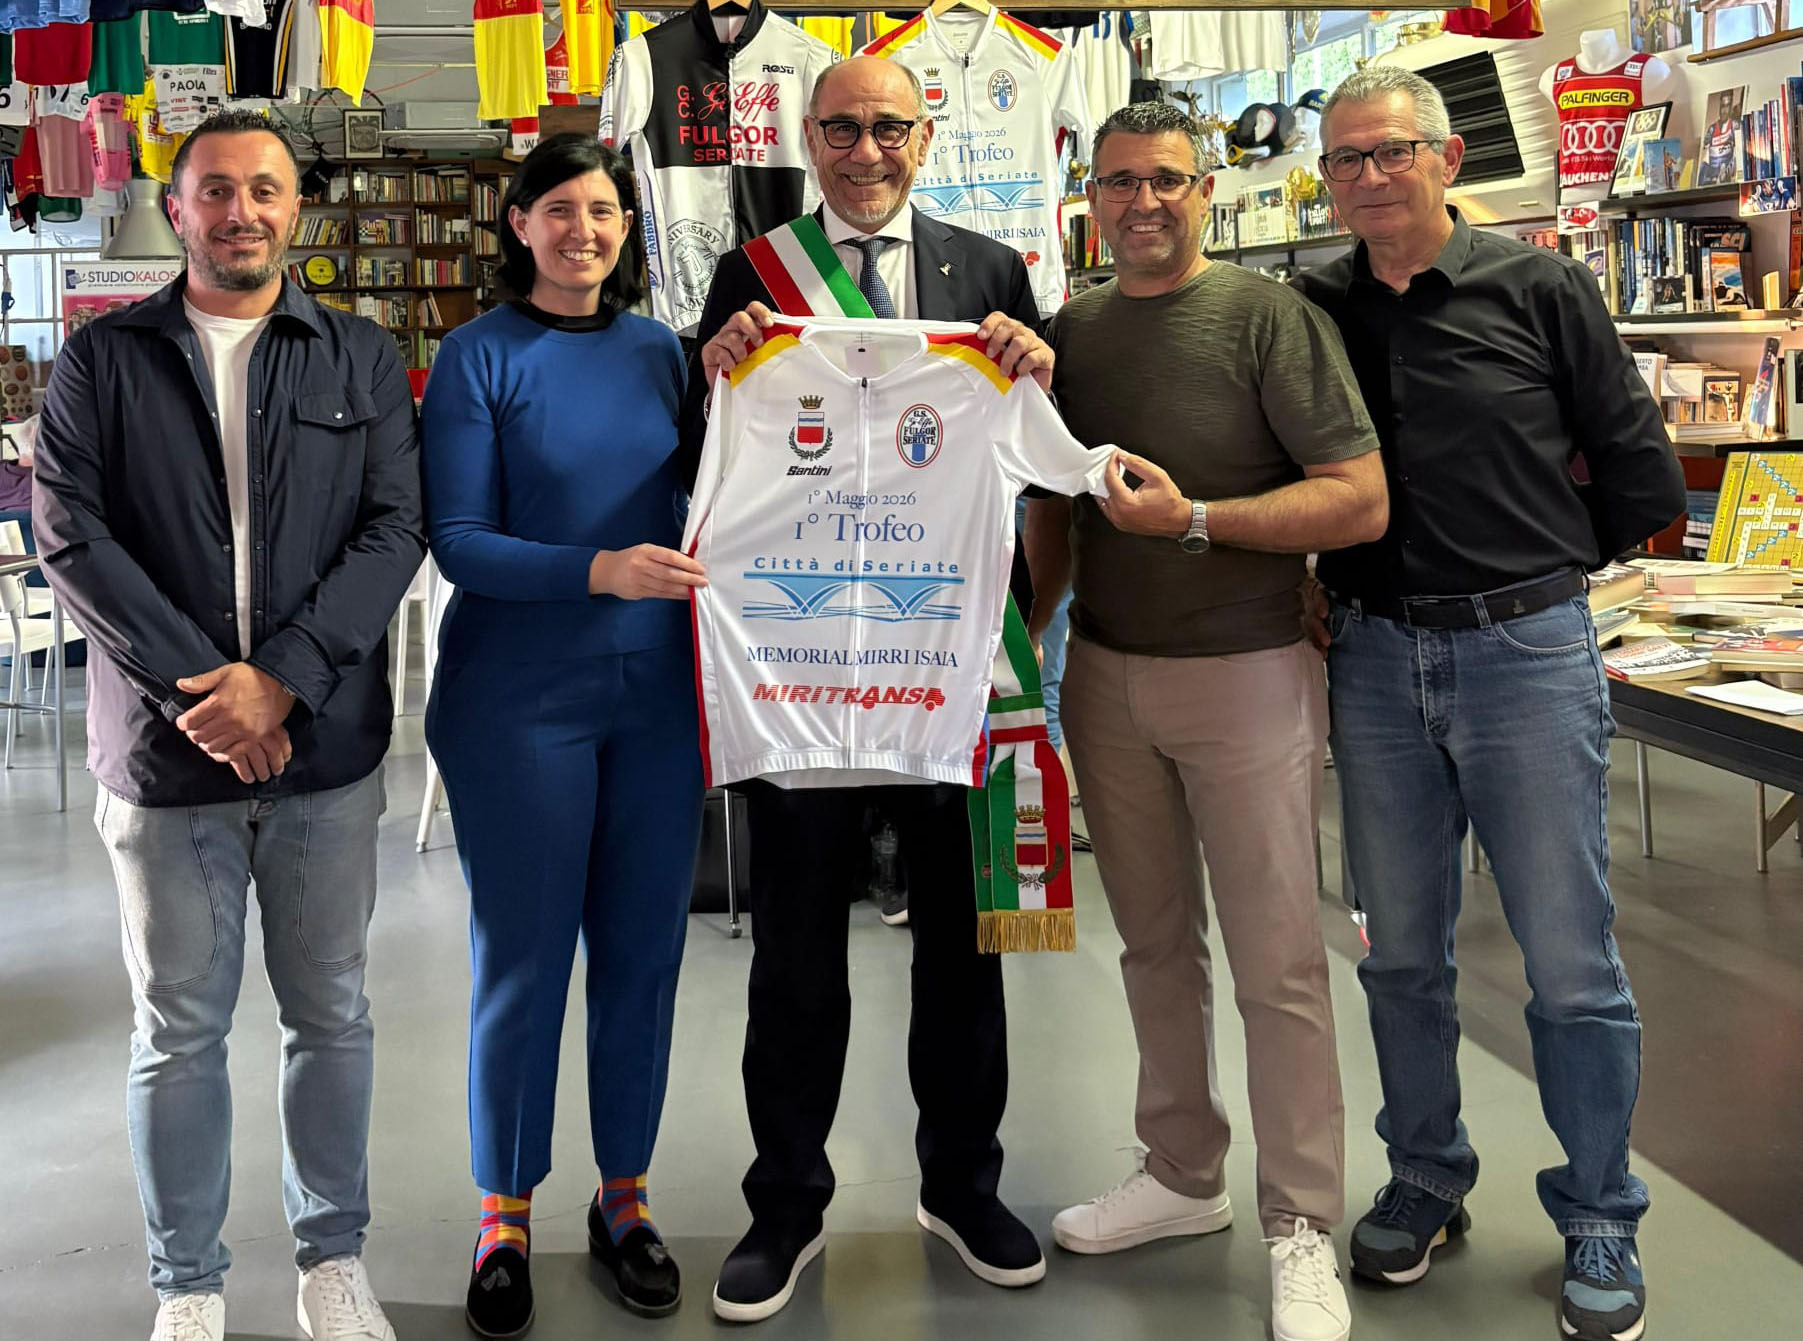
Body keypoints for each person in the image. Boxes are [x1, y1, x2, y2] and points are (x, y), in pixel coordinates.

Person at [1291, 67, 1686, 1341]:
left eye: (1389, 152)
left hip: (1526, 654)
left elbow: (1636, 467)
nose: (1366, 178)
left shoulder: (1542, 287)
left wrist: (1543, 580)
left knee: (1569, 960)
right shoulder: (1313, 306)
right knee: (1399, 950)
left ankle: (1601, 1210)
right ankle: (1425, 1175)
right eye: (1344, 159)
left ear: (1447, 158)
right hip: (1371, 660)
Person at [30, 109, 423, 1341]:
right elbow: (70, 535)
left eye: (264, 189)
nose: (241, 211)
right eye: (216, 190)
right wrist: (210, 692)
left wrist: (283, 683)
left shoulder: (360, 356)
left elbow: (394, 531)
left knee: (332, 1017)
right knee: (177, 1032)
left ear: (296, 207)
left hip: (324, 757)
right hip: (168, 762)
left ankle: (332, 1263)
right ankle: (187, 1284)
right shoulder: (101, 362)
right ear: (177, 206)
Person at [686, 55, 1057, 1324]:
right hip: (800, 671)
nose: (864, 151)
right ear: (809, 136)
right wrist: (712, 366)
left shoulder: (990, 271)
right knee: (796, 953)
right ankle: (786, 1204)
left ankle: (962, 1185)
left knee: (965, 944)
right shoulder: (752, 271)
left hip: (943, 659)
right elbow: (710, 456)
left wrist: (1038, 369)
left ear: (925, 134)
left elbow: (1032, 464)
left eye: (888, 127)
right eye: (840, 129)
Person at [1025, 100, 1387, 1341]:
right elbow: (1055, 509)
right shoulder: (1073, 333)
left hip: (1247, 676)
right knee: (1152, 946)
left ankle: (1301, 1223)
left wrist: (1196, 521)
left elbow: (1358, 499)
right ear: (1090, 198)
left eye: (1167, 181)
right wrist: (1018, 637)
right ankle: (1182, 1172)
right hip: (1105, 677)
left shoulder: (1267, 318)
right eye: (1120, 182)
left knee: (1278, 961)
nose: (1143, 203)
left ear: (1206, 192)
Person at [420, 134, 707, 1335]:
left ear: (627, 230)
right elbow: (460, 541)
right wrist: (601, 568)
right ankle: (504, 1214)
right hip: (517, 700)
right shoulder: (478, 355)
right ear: (520, 225)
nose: (583, 231)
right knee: (524, 961)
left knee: (643, 959)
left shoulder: (665, 356)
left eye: (604, 212)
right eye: (560, 211)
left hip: (657, 699)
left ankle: (624, 1199)